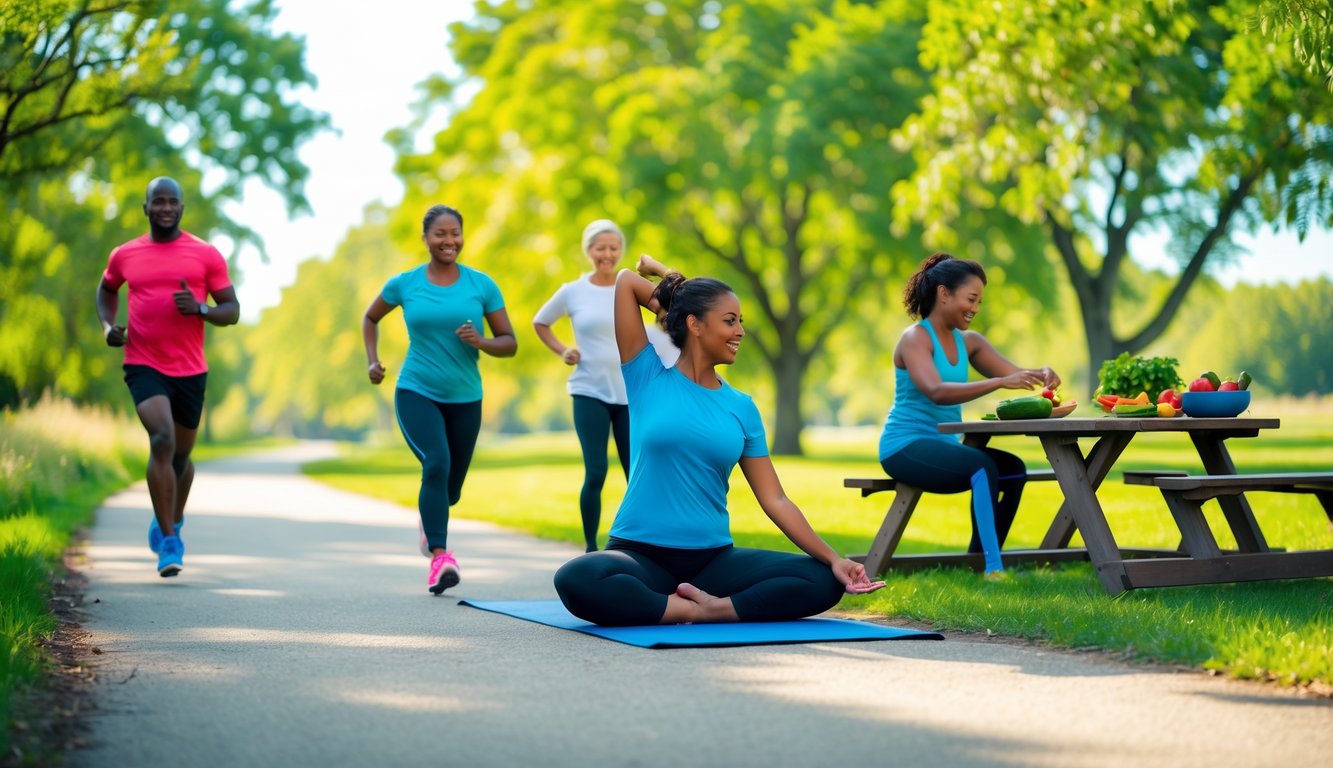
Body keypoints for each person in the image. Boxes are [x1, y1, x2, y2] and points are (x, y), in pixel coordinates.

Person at [553, 255, 884, 626]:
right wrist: (676, 292)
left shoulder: (742, 407)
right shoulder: (645, 374)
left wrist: (835, 559)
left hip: (713, 561)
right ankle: (680, 608)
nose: (740, 331)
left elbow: (775, 499)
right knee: (576, 578)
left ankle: (714, 608)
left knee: (822, 580)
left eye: (741, 321)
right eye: (730, 321)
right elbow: (628, 282)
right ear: (694, 325)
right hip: (639, 556)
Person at [362, 204, 517, 595]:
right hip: (416, 390)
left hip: (466, 396)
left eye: (455, 233)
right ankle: (440, 557)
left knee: (450, 489)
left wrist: (480, 341)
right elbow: (370, 318)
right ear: (426, 239)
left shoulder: (482, 285)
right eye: (440, 234)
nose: (449, 241)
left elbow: (510, 343)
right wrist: (373, 361)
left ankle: (429, 521)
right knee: (436, 462)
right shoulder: (405, 283)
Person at [878, 252, 1061, 577]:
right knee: (982, 466)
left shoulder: (970, 343)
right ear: (944, 293)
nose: (975, 308)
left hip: (944, 446)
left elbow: (1016, 374)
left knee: (1013, 470)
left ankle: (976, 561)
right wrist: (999, 383)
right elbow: (935, 389)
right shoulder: (915, 339)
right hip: (904, 446)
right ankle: (993, 569)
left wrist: (1042, 373)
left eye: (979, 301)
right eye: (971, 299)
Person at [95, 176, 240, 578]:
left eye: (171, 202)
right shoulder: (125, 254)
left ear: (181, 207)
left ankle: (172, 521)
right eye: (157, 201)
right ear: (145, 208)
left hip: (190, 369)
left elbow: (231, 309)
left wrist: (201, 309)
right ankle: (169, 542)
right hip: (142, 361)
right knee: (162, 439)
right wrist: (109, 327)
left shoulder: (204, 254)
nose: (164, 208)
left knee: (181, 457)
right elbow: (106, 290)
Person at [532, 219, 678, 552]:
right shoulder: (574, 291)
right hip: (589, 391)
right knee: (595, 472)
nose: (608, 254)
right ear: (589, 251)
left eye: (614, 247)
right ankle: (590, 549)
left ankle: (642, 546)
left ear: (621, 251)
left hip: (631, 394)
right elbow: (540, 322)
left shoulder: (630, 286)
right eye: (600, 247)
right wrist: (563, 350)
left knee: (635, 473)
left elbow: (666, 311)